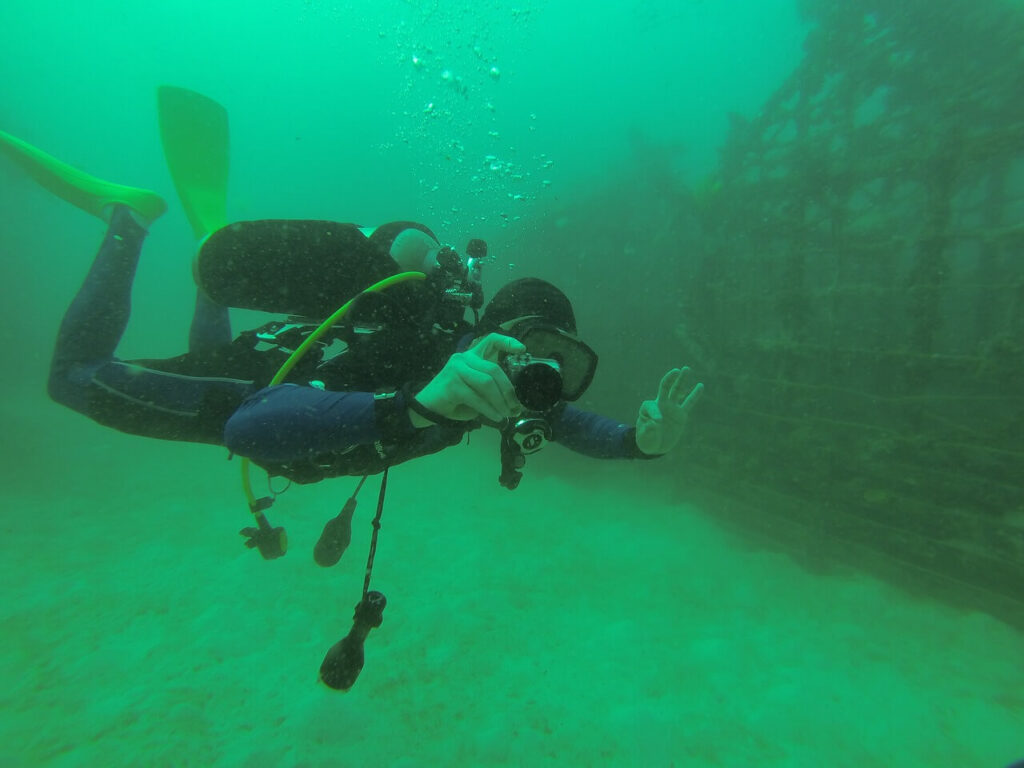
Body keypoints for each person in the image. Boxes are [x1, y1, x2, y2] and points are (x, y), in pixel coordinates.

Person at [1, 125, 703, 492]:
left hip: (285, 388)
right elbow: (248, 427)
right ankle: (127, 219)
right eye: (528, 348)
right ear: (487, 336)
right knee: (71, 379)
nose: (537, 373)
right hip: (254, 394)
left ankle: (210, 285)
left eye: (559, 360)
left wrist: (642, 442)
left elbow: (577, 426)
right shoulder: (440, 370)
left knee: (207, 349)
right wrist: (413, 410)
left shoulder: (504, 389)